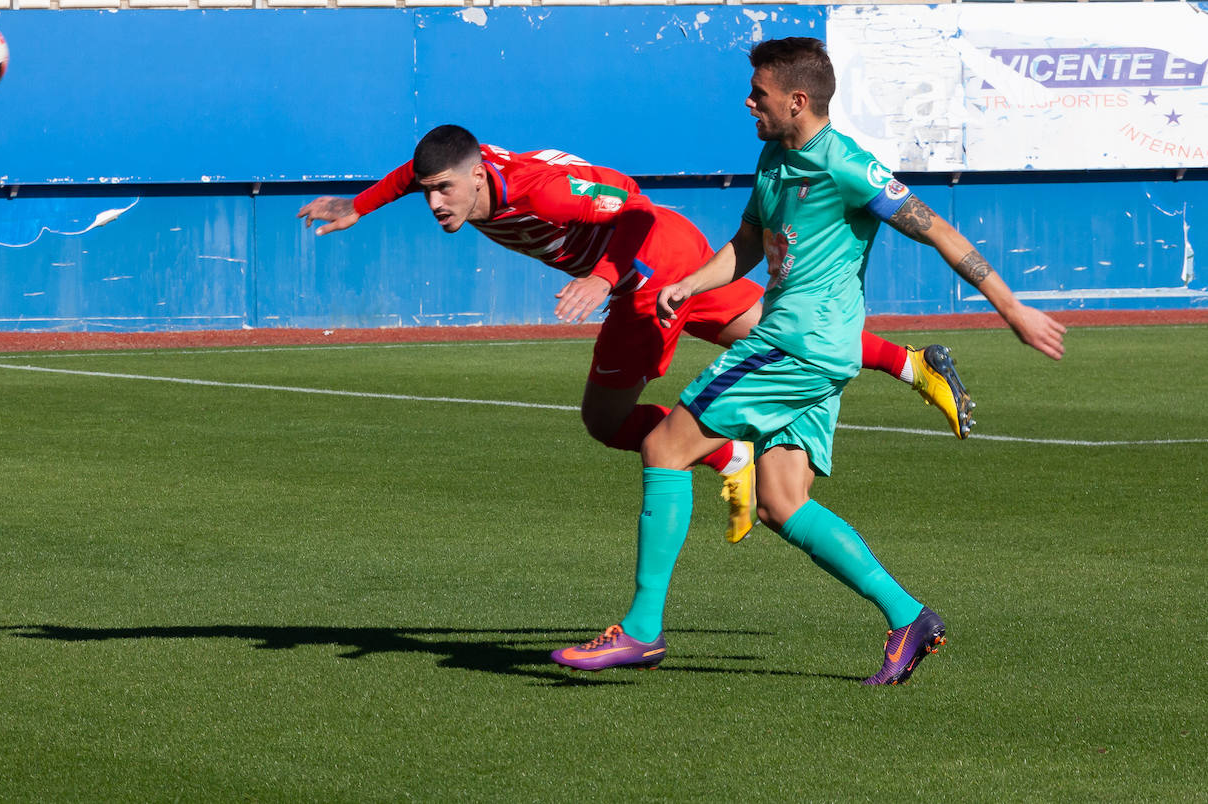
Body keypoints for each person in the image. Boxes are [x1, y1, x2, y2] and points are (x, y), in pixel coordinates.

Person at [551, 37, 1066, 684]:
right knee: (780, 503)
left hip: (792, 346)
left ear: (797, 100)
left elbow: (934, 226)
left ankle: (642, 631)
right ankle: (908, 616)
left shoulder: (846, 166)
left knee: (664, 448)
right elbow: (743, 246)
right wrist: (689, 287)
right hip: (819, 354)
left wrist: (1010, 307)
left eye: (759, 95)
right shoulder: (773, 156)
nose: (748, 103)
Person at [298, 125, 975, 545]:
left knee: (604, 418)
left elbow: (633, 202)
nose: (436, 202)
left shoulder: (543, 191)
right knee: (778, 332)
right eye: (428, 193)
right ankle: (914, 365)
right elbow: (413, 171)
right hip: (670, 257)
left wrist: (608, 276)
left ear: (479, 175)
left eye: (445, 190)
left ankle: (726, 459)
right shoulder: (464, 173)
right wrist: (360, 206)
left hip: (650, 265)